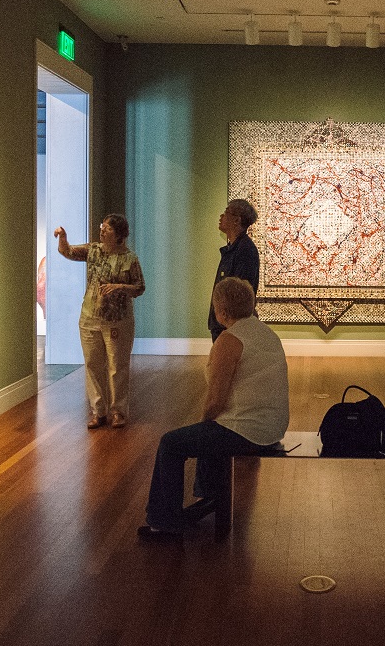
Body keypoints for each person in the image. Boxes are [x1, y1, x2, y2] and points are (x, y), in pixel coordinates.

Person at [139, 277, 289, 539]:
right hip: (273, 427)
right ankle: (211, 499)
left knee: (172, 443)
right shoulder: (266, 333)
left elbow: (215, 402)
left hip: (248, 431)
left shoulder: (230, 340)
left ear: (222, 311)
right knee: (211, 430)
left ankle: (163, 523)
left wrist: (203, 421)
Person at [53, 215, 145, 429]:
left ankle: (118, 412)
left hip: (117, 320)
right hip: (89, 317)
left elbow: (140, 287)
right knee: (93, 364)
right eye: (101, 227)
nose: (102, 231)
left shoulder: (129, 259)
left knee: (116, 366)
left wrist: (120, 287)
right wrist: (63, 237)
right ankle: (98, 411)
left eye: (107, 229)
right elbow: (68, 252)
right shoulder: (93, 250)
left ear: (119, 235)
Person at [209, 198, 260, 341]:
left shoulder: (245, 250)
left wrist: (226, 324)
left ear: (237, 220)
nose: (221, 216)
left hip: (230, 326)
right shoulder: (234, 248)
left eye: (226, 212)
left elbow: (239, 293)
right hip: (224, 323)